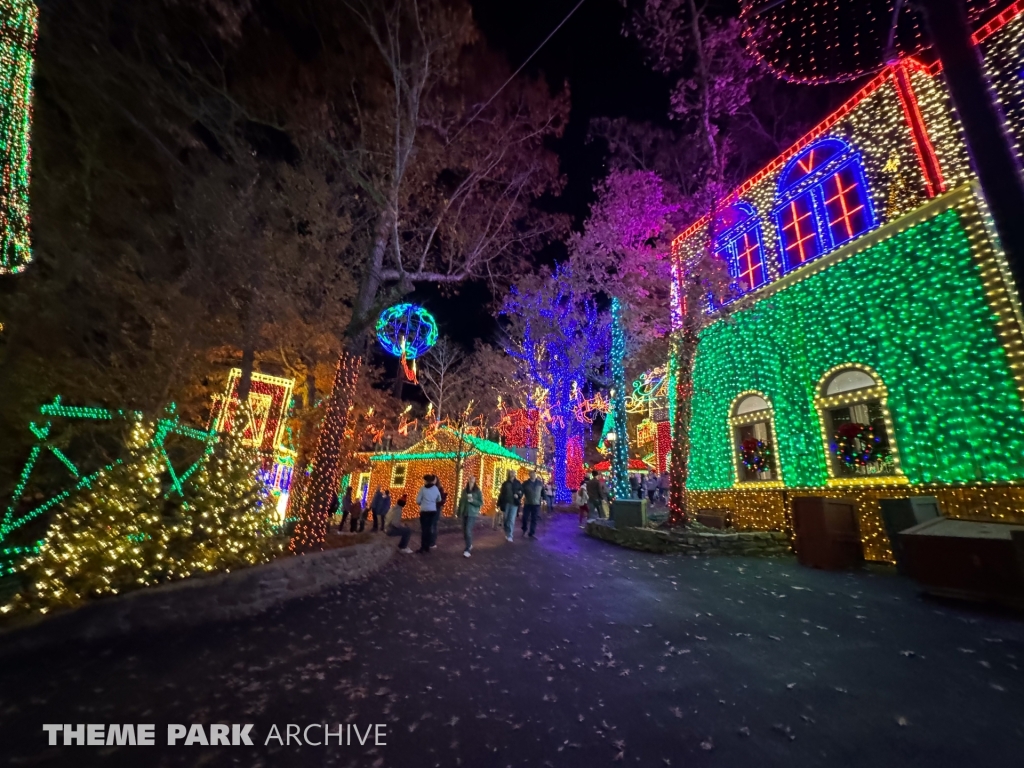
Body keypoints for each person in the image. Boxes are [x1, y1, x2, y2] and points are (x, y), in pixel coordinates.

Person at [457, 475, 484, 557]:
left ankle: (468, 548)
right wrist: (459, 512)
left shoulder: (477, 491)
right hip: (464, 512)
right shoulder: (464, 491)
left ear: (475, 481)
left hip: (472, 513)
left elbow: (480, 503)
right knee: (465, 531)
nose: (471, 480)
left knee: (468, 530)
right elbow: (461, 502)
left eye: (473, 479)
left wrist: (473, 501)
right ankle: (469, 544)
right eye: (470, 479)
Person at [416, 474, 442, 553]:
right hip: (432, 511)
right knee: (429, 528)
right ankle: (428, 546)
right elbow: (439, 499)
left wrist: (422, 503)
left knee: (424, 529)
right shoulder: (435, 489)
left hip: (424, 511)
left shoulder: (423, 489)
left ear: (426, 481)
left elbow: (418, 500)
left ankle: (423, 547)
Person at [496, 469, 523, 543]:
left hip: (514, 503)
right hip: (506, 503)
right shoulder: (505, 483)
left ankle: (510, 535)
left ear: (515, 474)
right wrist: (498, 503)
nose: (512, 474)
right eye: (511, 472)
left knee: (511, 519)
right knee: (506, 518)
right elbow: (501, 493)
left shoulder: (518, 483)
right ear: (509, 474)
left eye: (513, 472)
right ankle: (507, 531)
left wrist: (518, 495)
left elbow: (521, 491)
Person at [521, 470, 544, 539]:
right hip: (527, 503)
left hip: (536, 504)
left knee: (534, 519)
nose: (532, 475)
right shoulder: (525, 483)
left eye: (533, 474)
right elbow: (521, 491)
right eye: (531, 474)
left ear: (535, 475)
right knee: (525, 518)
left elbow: (542, 492)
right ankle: (524, 529)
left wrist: (544, 498)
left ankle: (531, 533)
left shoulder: (539, 483)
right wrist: (518, 497)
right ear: (529, 475)